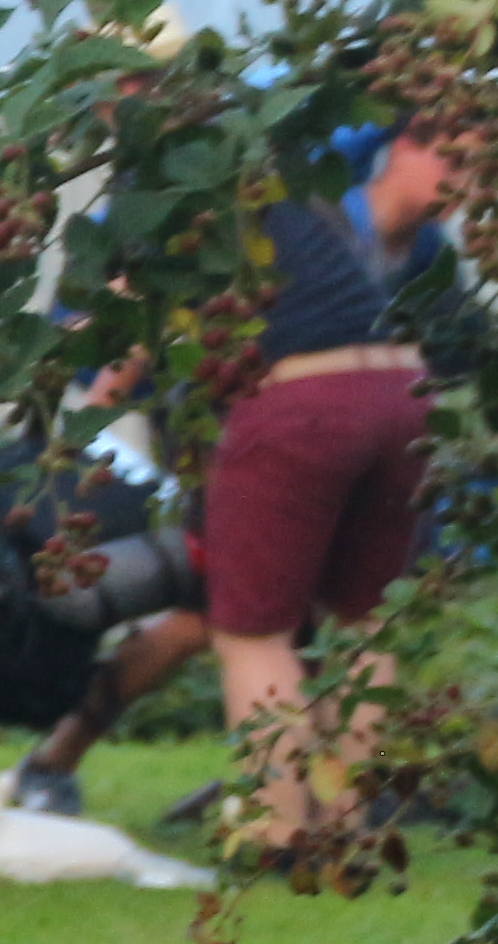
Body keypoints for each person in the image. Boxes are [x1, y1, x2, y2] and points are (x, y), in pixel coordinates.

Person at [185, 118, 469, 836]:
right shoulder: (294, 167)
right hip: (402, 396)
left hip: (306, 400)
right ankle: (350, 825)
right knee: (366, 621)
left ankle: (278, 833)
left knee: (255, 634)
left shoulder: (166, 179)